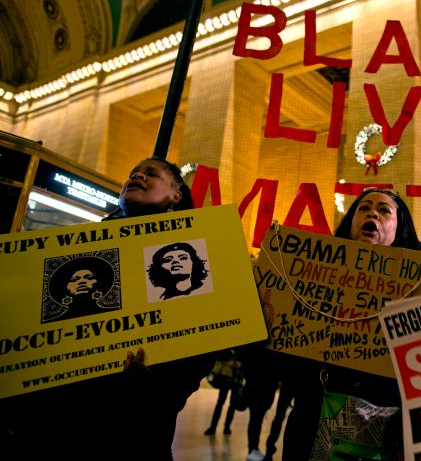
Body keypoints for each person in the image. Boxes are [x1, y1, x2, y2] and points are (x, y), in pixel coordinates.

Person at [2, 157, 214, 461]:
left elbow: (200, 347)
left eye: (151, 173)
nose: (137, 175)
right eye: (132, 173)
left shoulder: (188, 257)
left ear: (175, 196)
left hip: (129, 433)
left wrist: (156, 383)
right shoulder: (79, 247)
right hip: (54, 426)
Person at [245, 187, 421, 461]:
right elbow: (277, 360)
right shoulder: (310, 282)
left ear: (400, 228)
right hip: (311, 425)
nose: (372, 212)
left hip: (380, 432)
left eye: (384, 210)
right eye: (363, 208)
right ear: (351, 222)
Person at [43, 256, 119, 322]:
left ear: (98, 284)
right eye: (74, 280)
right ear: (65, 287)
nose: (82, 282)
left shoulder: (115, 313)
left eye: (89, 278)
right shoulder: (55, 322)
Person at [204, 349, 243, 436]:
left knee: (232, 404)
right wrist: (228, 362)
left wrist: (240, 364)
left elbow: (246, 360)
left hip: (237, 379)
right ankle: (213, 426)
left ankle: (227, 427)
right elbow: (220, 356)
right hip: (226, 377)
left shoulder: (243, 348)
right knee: (220, 402)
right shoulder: (228, 347)